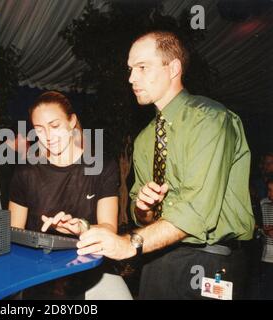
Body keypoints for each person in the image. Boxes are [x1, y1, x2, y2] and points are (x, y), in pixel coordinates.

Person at [76, 31, 255, 299]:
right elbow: (142, 215)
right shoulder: (146, 138)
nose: (131, 78)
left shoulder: (209, 120)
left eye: (142, 67)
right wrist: (144, 208)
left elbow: (197, 212)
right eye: (130, 69)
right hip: (158, 256)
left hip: (210, 261)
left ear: (173, 68)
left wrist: (129, 244)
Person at [9, 91, 132, 300]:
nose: (48, 136)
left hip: (86, 269)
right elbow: (13, 233)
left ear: (72, 121)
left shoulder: (101, 166)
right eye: (39, 129)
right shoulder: (25, 172)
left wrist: (80, 227)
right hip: (38, 275)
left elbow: (109, 227)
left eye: (55, 126)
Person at [260, 177, 273, 299]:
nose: (271, 194)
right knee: (265, 290)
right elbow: (256, 226)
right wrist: (263, 230)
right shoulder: (263, 204)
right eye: (269, 190)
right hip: (266, 256)